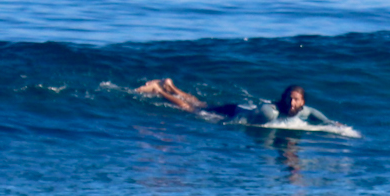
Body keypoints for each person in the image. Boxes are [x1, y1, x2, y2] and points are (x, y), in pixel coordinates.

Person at [136, 79, 340, 127]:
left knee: (202, 104)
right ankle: (160, 90)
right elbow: (256, 115)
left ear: (302, 102)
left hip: (238, 108)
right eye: (289, 98)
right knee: (193, 109)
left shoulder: (303, 111)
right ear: (284, 98)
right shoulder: (273, 111)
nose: (292, 102)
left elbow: (313, 114)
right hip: (233, 112)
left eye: (296, 100)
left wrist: (331, 123)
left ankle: (171, 86)